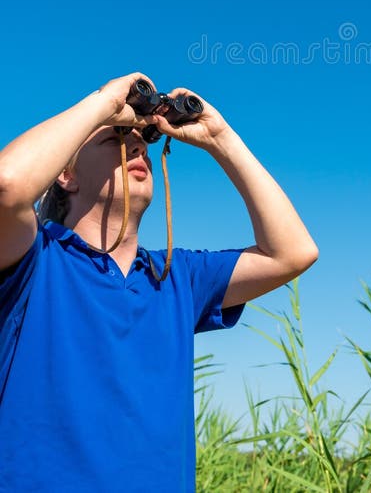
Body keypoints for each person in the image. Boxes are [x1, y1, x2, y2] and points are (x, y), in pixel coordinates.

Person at [0, 72, 318, 493]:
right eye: (115, 138)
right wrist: (104, 102)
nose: (136, 145)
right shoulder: (33, 259)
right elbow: (7, 185)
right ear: (65, 175)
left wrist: (220, 139)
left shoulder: (175, 277)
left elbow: (293, 252)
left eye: (142, 140)